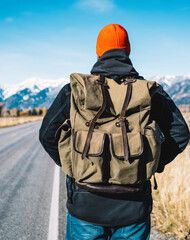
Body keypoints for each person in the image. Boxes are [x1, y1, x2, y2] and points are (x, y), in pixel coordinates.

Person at [39, 24, 190, 240]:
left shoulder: (75, 90)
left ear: (99, 52)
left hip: (85, 206)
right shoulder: (150, 92)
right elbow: (180, 134)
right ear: (127, 50)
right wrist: (151, 162)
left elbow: (46, 135)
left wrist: (73, 164)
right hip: (134, 207)